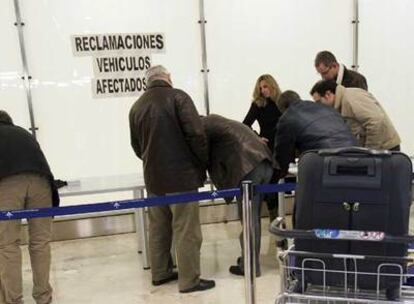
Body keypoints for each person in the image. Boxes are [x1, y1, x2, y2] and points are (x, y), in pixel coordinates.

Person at [129, 65, 215, 293]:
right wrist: (202, 162)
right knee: (186, 229)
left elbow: (137, 147)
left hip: (153, 179)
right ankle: (189, 281)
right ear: (168, 78)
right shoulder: (179, 97)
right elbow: (196, 135)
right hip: (181, 177)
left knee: (158, 227)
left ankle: (160, 272)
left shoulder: (136, 106)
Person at [201, 114, 275, 277]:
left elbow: (203, 157)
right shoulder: (217, 121)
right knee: (253, 216)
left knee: (249, 218)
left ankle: (251, 266)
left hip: (249, 167)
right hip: (263, 162)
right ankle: (249, 261)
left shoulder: (200, 127)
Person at [0, 110, 59, 304]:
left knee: (8, 244)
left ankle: (13, 300)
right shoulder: (23, 133)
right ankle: (43, 297)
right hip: (41, 183)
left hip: (7, 184)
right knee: (40, 243)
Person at [274, 91, 358, 177]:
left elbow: (283, 150)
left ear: (283, 109)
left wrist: (283, 171)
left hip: (325, 160)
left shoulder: (287, 117)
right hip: (354, 155)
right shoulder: (325, 107)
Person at [312, 80, 401, 151]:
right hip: (379, 150)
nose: (319, 106)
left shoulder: (351, 98)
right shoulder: (343, 102)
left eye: (319, 102)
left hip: (385, 151)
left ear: (328, 94)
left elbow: (376, 122)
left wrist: (370, 152)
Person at [242, 74, 282, 223]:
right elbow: (245, 124)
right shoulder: (258, 104)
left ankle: (278, 218)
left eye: (265, 86)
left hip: (283, 146)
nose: (263, 90)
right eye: (260, 88)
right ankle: (275, 219)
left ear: (272, 85)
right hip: (268, 149)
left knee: (280, 183)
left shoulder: (282, 101)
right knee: (271, 185)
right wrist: (257, 137)